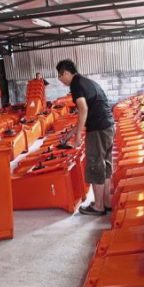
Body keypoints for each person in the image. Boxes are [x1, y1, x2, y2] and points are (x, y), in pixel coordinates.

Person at [56, 59, 114, 216]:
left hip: (97, 130)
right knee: (105, 164)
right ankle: (107, 203)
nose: (60, 80)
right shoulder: (87, 82)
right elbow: (88, 111)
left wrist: (78, 137)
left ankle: (98, 207)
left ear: (67, 73)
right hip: (108, 127)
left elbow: (83, 109)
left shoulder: (76, 84)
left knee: (95, 165)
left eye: (60, 77)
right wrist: (72, 132)